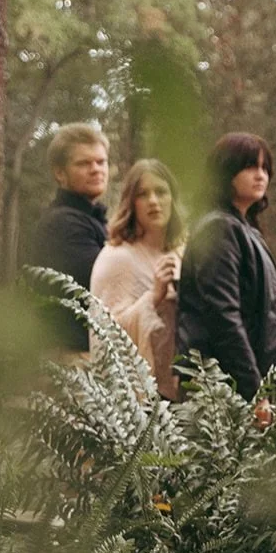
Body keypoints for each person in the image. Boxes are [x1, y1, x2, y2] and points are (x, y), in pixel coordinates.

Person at [176, 133, 276, 401]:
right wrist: (254, 389)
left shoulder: (244, 229)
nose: (260, 175)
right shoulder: (219, 228)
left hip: (242, 385)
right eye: (250, 166)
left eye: (265, 168)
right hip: (223, 389)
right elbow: (223, 315)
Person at [89, 159, 184, 398]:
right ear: (131, 203)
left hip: (184, 389)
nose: (153, 200)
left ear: (172, 198)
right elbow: (105, 336)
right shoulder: (116, 258)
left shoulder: (183, 251)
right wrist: (152, 298)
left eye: (161, 192)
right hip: (142, 399)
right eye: (143, 194)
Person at [26, 123, 110, 352]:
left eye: (101, 162)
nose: (96, 169)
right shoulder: (63, 224)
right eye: (83, 163)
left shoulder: (92, 218)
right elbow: (106, 285)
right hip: (70, 359)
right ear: (59, 173)